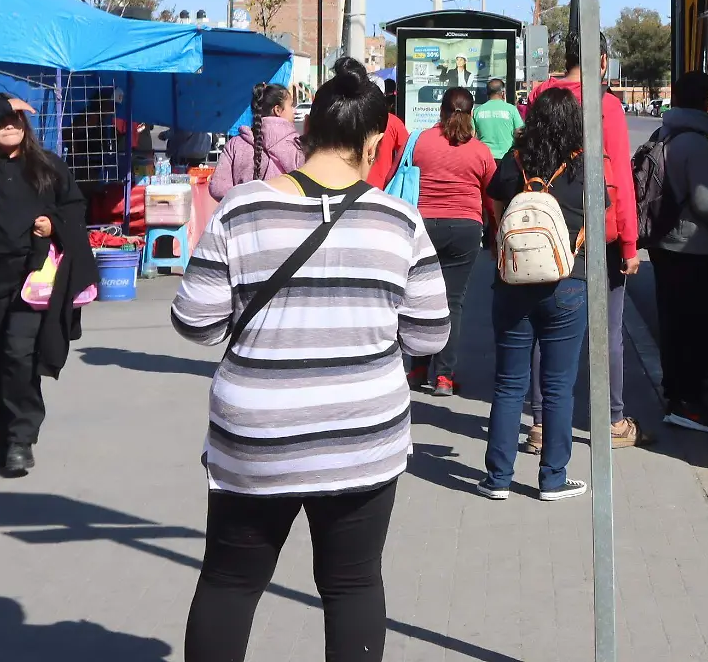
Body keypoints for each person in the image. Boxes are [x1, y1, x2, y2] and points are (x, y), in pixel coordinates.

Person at [172, 61, 450, 662]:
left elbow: (195, 323)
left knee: (230, 580)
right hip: (362, 433)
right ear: (374, 140)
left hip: (257, 435)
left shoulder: (241, 209)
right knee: (352, 584)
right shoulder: (399, 220)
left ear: (306, 129)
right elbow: (429, 336)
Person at [0, 92, 97, 476]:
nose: (10, 124)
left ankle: (21, 440)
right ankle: (4, 434)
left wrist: (53, 225)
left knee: (18, 355)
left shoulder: (46, 165)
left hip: (34, 277)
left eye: (15, 119)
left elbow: (74, 206)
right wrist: (1, 105)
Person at [521, 33, 646, 449]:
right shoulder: (606, 105)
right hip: (597, 233)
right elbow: (620, 182)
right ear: (603, 61)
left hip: (546, 230)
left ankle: (539, 423)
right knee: (608, 330)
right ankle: (611, 419)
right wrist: (630, 245)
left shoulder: (541, 97)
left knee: (546, 328)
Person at [478, 89, 596, 501]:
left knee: (509, 384)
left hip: (511, 284)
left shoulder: (513, 161)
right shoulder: (583, 165)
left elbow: (494, 210)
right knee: (558, 387)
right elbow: (601, 212)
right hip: (567, 283)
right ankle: (552, 478)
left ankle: (497, 480)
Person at [652, 71, 708, 433]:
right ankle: (690, 402)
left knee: (673, 324)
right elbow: (702, 202)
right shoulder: (695, 141)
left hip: (663, 246)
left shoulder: (664, 133)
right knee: (703, 328)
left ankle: (675, 396)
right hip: (693, 248)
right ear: (706, 101)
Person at [406, 87, 498, 396]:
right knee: (452, 302)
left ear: (441, 110)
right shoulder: (480, 151)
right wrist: (495, 235)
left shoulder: (420, 141)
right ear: (471, 114)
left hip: (424, 226)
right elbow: (492, 196)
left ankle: (417, 369)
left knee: (420, 297)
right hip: (465, 229)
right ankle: (444, 377)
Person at [207, 83, 303, 200]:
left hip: (243, 216)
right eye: (291, 105)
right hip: (289, 216)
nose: (295, 111)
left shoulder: (235, 144)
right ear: (278, 110)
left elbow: (218, 188)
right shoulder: (297, 146)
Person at [336, 58, 409, 190]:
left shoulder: (344, 117)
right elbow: (407, 152)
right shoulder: (393, 121)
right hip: (382, 190)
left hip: (346, 188)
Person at [473, 77, 523, 160]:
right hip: (506, 158)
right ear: (503, 93)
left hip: (484, 158)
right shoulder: (511, 110)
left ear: (487, 93)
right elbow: (519, 131)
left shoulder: (477, 111)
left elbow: (472, 136)